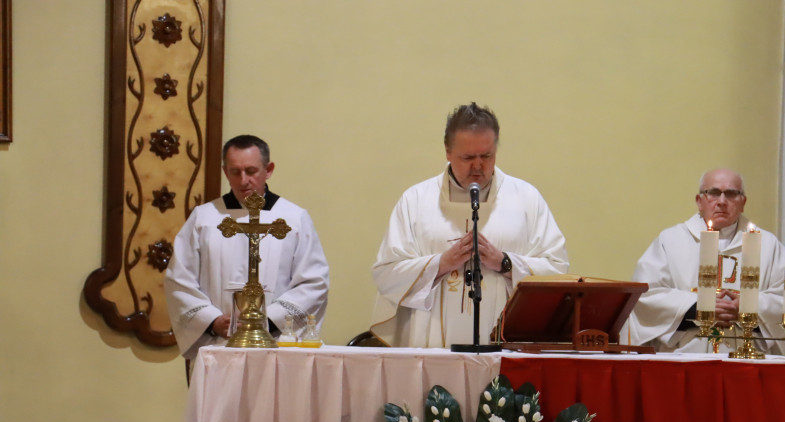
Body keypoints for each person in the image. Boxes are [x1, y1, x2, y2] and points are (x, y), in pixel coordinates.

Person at [370, 103, 569, 348]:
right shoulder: (416, 200)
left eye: (486, 156)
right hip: (430, 344)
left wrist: (505, 263)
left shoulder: (526, 198)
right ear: (448, 151)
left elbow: (558, 271)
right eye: (467, 157)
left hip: (506, 344)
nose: (478, 166)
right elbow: (386, 274)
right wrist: (441, 264)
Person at [165, 134, 330, 363]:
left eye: (251, 171)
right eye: (235, 172)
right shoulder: (204, 218)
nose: (244, 181)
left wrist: (268, 320)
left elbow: (313, 282)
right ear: (225, 172)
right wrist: (212, 320)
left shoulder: (294, 218)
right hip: (219, 346)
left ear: (268, 169)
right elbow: (179, 281)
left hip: (276, 344)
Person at [629, 168, 785, 354]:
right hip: (685, 355)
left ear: (743, 202)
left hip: (747, 358)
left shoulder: (768, 245)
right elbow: (646, 295)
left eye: (731, 194)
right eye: (714, 193)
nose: (722, 202)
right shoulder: (670, 240)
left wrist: (749, 306)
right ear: (699, 201)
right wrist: (696, 307)